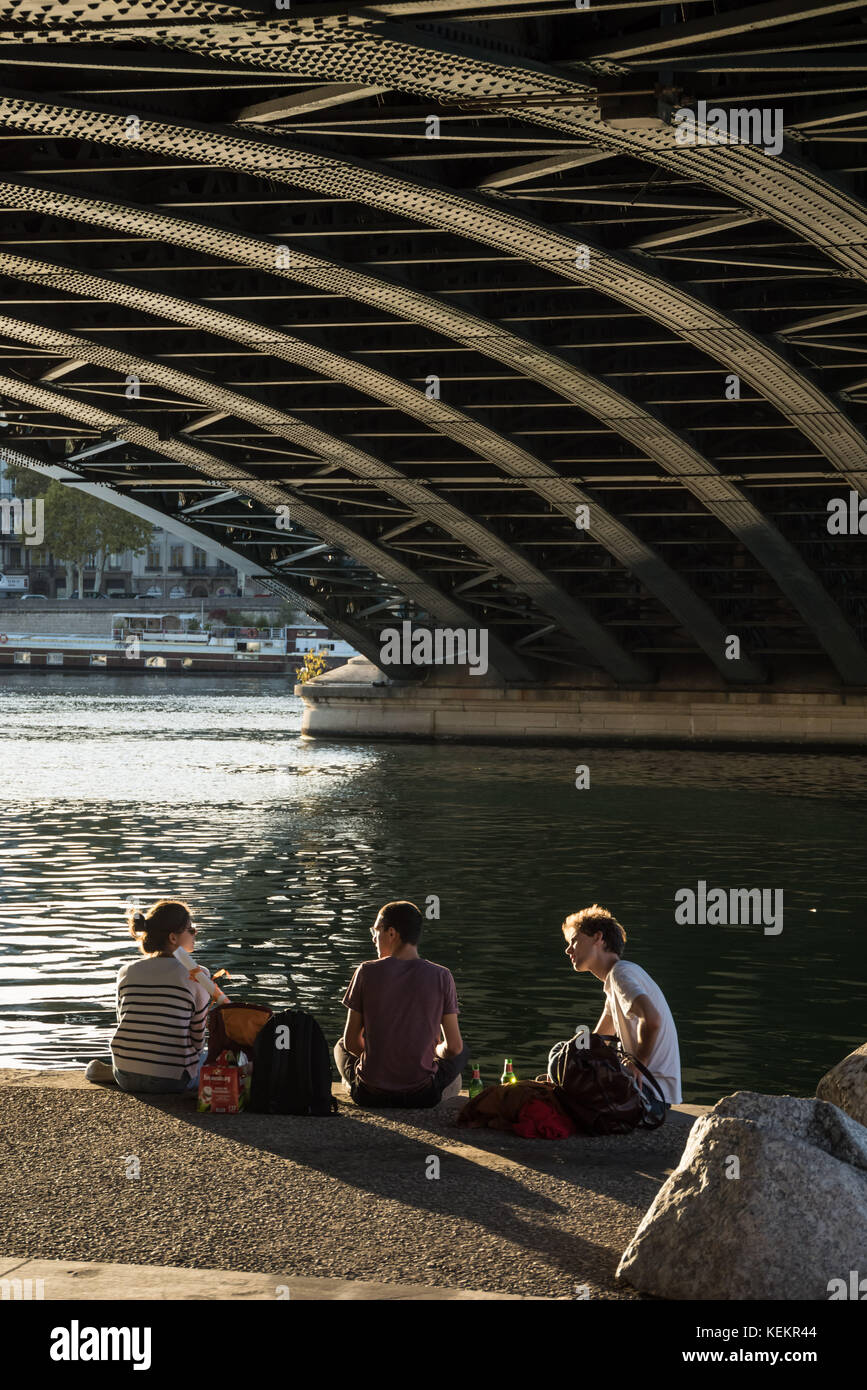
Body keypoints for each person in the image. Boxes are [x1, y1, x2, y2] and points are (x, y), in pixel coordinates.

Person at [334, 900, 469, 1108]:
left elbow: (351, 1042)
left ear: (391, 933)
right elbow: (453, 1047)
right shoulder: (442, 975)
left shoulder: (366, 971)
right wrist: (433, 1052)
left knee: (340, 1046)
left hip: (370, 1094)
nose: (373, 937)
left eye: (375, 930)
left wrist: (383, 1058)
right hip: (421, 1096)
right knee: (462, 1051)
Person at [553, 904, 682, 1106]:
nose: (568, 949)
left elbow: (652, 1019)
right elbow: (595, 1043)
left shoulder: (621, 974)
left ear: (598, 938)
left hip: (649, 1094)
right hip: (654, 1094)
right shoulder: (616, 982)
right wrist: (564, 1068)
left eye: (574, 941)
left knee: (560, 1057)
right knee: (566, 1052)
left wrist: (637, 1065)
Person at [85, 899, 210, 1093]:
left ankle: (109, 1070)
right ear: (173, 938)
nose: (195, 932)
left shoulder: (126, 972)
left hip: (124, 1076)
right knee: (215, 1060)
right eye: (190, 929)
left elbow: (127, 1021)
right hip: (173, 1081)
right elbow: (197, 1040)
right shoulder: (197, 975)